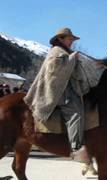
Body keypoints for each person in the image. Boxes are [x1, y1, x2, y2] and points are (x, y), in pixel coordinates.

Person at [23, 27, 90, 163]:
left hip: (66, 89)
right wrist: (72, 59)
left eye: (72, 39)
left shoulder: (64, 51)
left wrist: (76, 62)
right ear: (60, 39)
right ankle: (76, 148)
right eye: (69, 39)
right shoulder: (56, 52)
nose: (71, 42)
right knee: (76, 113)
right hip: (57, 92)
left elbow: (72, 73)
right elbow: (56, 70)